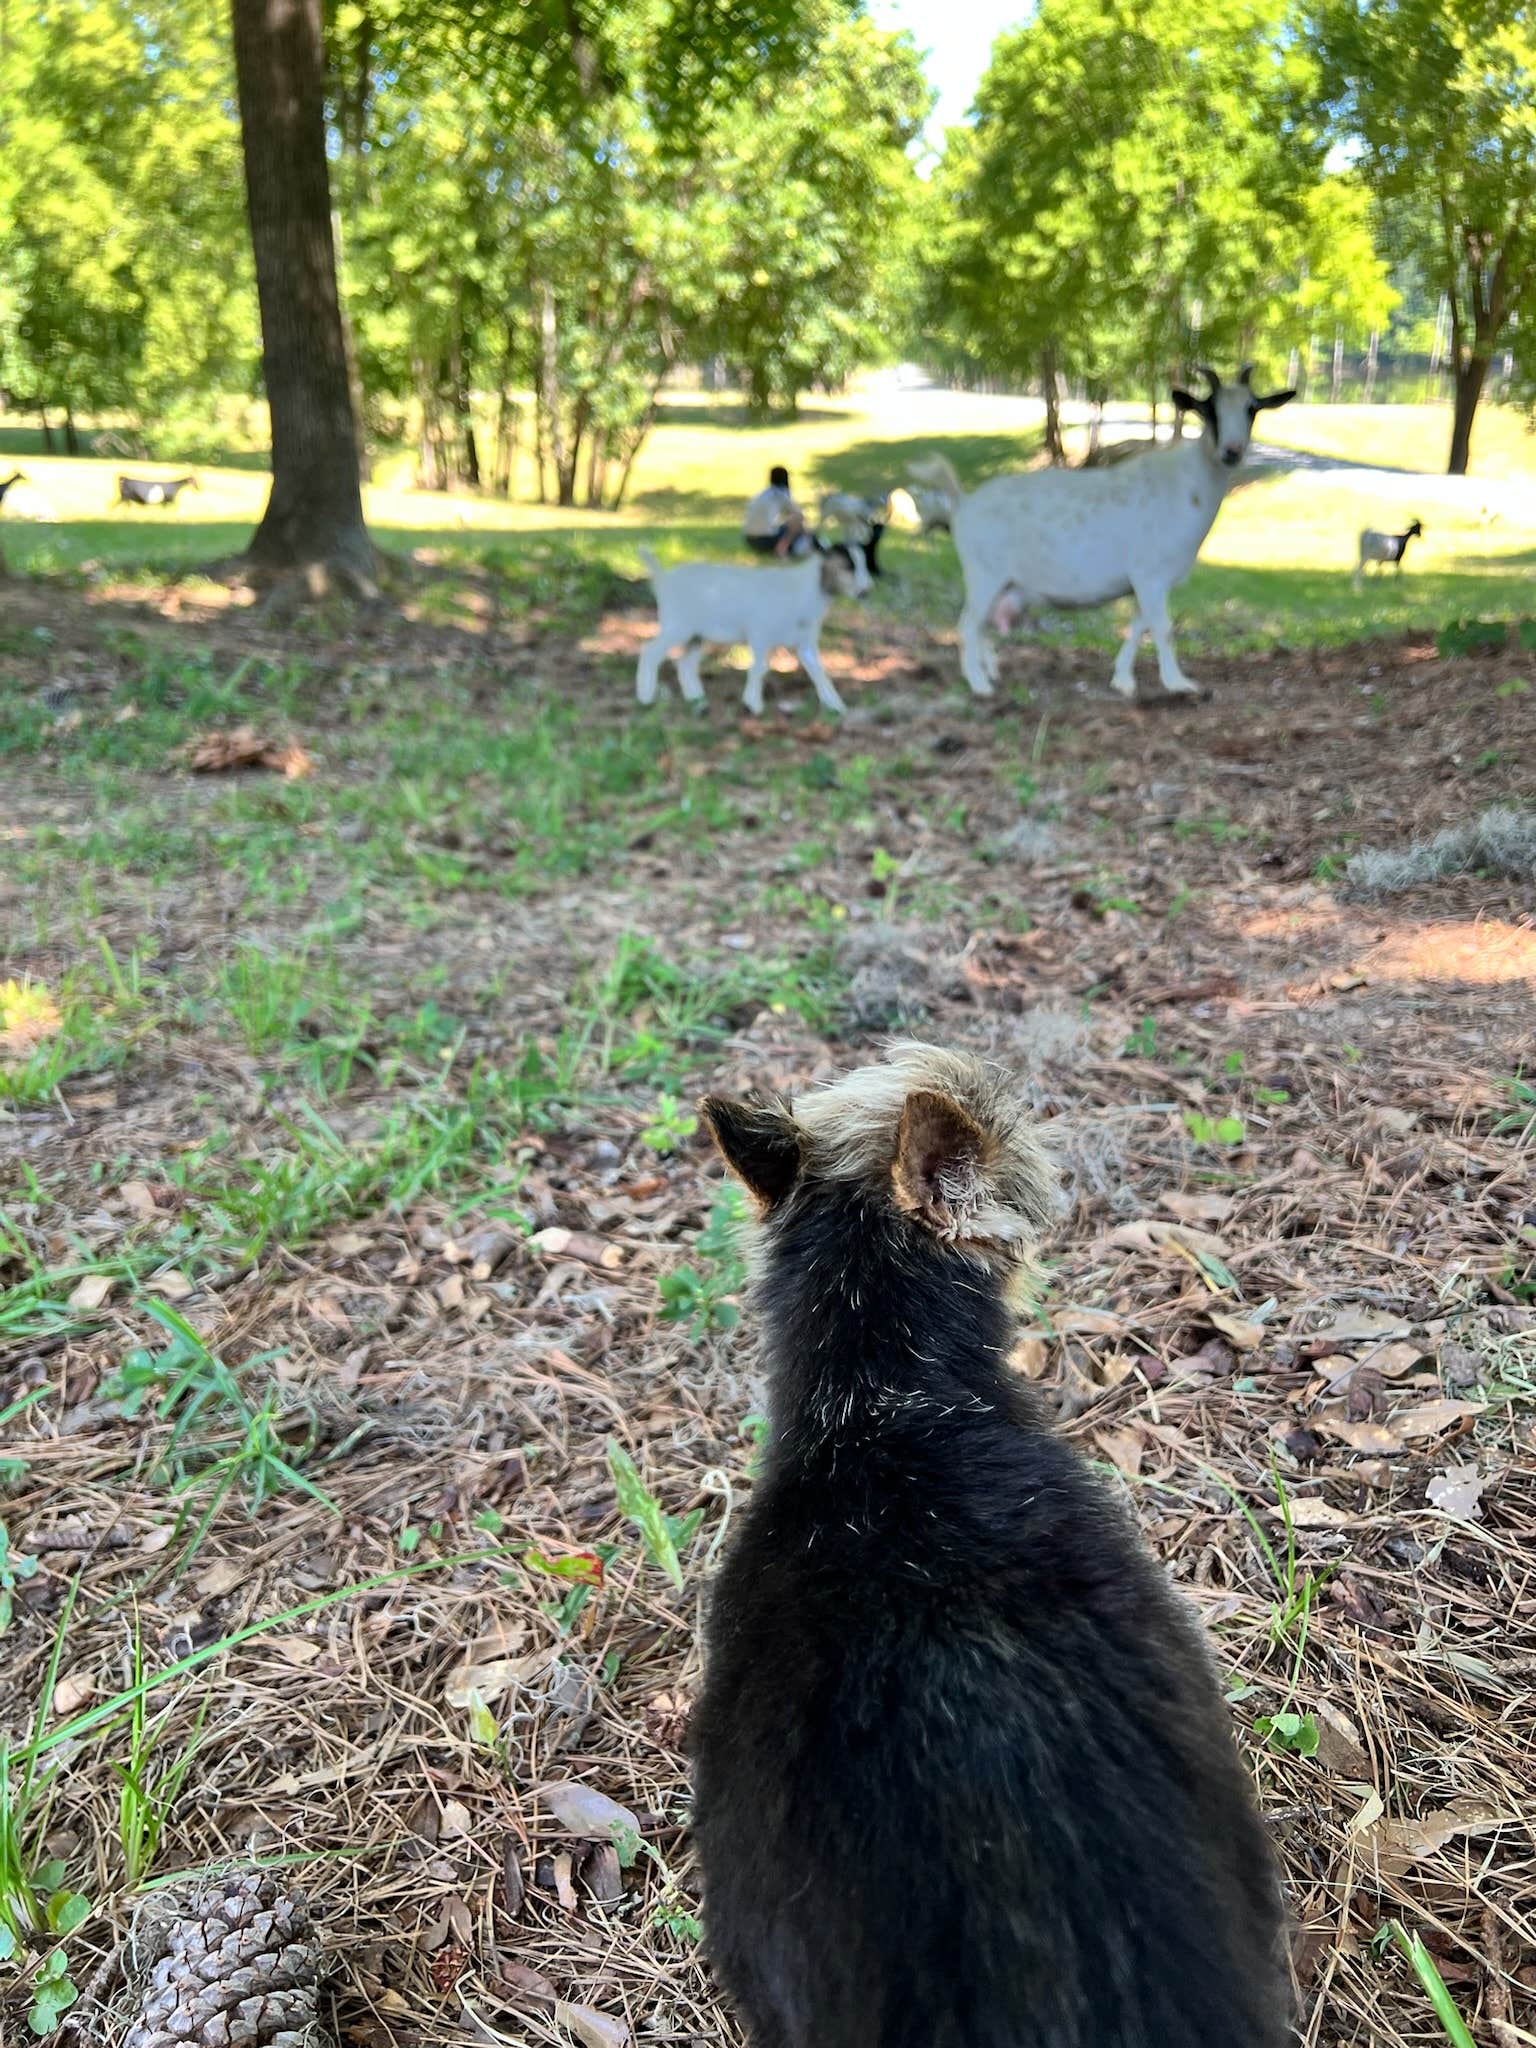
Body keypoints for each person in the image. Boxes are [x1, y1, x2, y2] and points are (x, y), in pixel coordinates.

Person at [743, 465, 811, 558]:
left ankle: (782, 549)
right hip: (766, 539)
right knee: (797, 521)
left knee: (790, 523)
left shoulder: (763, 493)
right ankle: (782, 550)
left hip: (749, 539)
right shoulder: (781, 493)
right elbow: (799, 515)